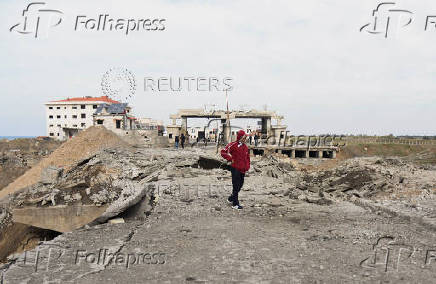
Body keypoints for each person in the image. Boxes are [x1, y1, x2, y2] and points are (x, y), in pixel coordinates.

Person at [220, 130, 250, 210]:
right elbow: (223, 152)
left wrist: (247, 166)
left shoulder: (246, 147)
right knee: (236, 186)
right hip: (235, 168)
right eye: (244, 137)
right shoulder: (232, 145)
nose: (245, 139)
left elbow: (247, 158)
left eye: (245, 137)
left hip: (243, 169)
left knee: (240, 185)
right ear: (240, 137)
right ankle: (235, 204)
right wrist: (230, 158)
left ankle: (231, 198)